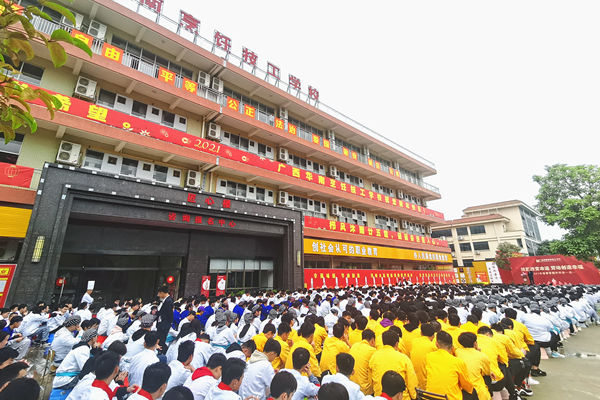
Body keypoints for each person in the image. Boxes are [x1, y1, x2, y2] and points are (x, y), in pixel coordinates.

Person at [424, 331, 473, 400]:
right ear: (452, 347)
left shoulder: (429, 357)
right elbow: (467, 385)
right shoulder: (458, 362)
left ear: (437, 344)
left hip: (430, 397)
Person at [369, 330, 417, 399]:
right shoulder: (404, 359)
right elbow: (411, 382)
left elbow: (370, 381)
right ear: (397, 344)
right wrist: (414, 396)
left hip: (380, 396)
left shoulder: (374, 357)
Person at [52, 329, 98, 396]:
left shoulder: (83, 346)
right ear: (93, 339)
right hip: (66, 379)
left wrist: (94, 348)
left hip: (68, 375)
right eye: (96, 336)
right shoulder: (83, 349)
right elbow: (85, 369)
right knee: (90, 381)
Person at [455, 332, 491, 400]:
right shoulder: (482, 356)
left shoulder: (457, 352)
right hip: (477, 392)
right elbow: (486, 373)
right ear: (475, 343)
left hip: (461, 391)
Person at [409, 323, 437, 389]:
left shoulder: (414, 341)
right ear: (433, 336)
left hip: (413, 380)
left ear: (421, 333)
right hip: (426, 383)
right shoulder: (433, 347)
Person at [349, 329, 377, 395]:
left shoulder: (354, 346)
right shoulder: (372, 351)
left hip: (351, 385)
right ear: (373, 340)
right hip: (365, 390)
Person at [157, 286, 174, 355]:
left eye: (159, 293)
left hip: (164, 324)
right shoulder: (165, 300)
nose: (158, 295)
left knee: (161, 340)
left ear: (162, 292)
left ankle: (163, 353)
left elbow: (169, 314)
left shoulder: (168, 301)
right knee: (160, 340)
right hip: (162, 323)